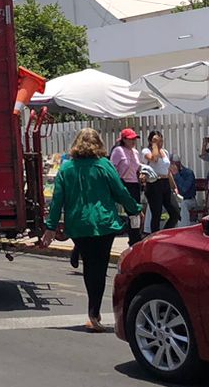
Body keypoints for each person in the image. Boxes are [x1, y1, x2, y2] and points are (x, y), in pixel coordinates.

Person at [38, 128, 140, 332]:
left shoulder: (67, 169)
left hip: (79, 224)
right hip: (103, 223)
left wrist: (50, 228)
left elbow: (57, 200)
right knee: (100, 268)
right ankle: (94, 312)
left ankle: (92, 312)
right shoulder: (104, 165)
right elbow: (120, 191)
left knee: (89, 266)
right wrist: (134, 210)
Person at [140, 131, 180, 233]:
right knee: (156, 214)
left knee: (175, 212)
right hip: (154, 183)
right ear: (150, 141)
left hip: (165, 182)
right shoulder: (146, 151)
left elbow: (167, 170)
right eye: (157, 141)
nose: (159, 143)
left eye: (161, 140)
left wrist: (174, 186)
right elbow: (154, 159)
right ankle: (155, 235)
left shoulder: (165, 152)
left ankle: (165, 233)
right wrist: (154, 145)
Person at [108, 128, 144, 244]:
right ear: (124, 140)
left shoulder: (135, 152)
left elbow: (137, 167)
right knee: (131, 211)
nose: (133, 141)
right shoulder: (118, 151)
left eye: (134, 139)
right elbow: (112, 169)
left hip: (134, 183)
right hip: (123, 182)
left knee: (135, 212)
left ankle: (134, 237)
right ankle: (133, 237)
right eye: (130, 139)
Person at [172, 155, 198, 225]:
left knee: (181, 204)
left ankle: (183, 228)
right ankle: (148, 230)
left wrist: (177, 175)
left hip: (188, 199)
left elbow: (184, 189)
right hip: (174, 199)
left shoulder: (188, 173)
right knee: (154, 203)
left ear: (178, 163)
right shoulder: (168, 174)